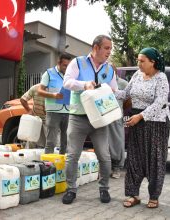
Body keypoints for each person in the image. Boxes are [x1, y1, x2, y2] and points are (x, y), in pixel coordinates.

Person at [62, 35, 118, 204]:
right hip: (78, 118)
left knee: (104, 156)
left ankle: (104, 189)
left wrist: (106, 90)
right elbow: (67, 82)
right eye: (106, 48)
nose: (109, 51)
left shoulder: (109, 70)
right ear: (96, 47)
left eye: (110, 48)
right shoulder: (78, 62)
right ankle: (70, 189)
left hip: (100, 120)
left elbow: (114, 90)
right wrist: (84, 84)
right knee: (72, 155)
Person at [115, 47, 170, 208]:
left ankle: (154, 196)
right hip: (136, 121)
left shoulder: (161, 78)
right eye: (138, 60)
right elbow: (125, 94)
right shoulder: (137, 76)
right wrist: (107, 91)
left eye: (142, 61)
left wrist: (140, 117)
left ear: (153, 62)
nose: (138, 63)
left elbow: (160, 102)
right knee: (134, 158)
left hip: (156, 123)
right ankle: (134, 195)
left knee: (154, 160)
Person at [38, 53, 72, 154]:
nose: (67, 68)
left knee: (66, 141)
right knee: (51, 141)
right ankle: (49, 165)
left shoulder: (71, 75)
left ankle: (63, 164)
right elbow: (39, 91)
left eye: (68, 66)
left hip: (68, 111)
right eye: (65, 65)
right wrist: (53, 95)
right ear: (59, 63)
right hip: (53, 112)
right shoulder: (48, 73)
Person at [108, 68, 128, 179]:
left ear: (115, 71)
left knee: (117, 143)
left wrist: (120, 108)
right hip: (104, 117)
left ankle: (117, 167)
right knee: (104, 143)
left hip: (116, 117)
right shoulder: (103, 82)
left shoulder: (123, 83)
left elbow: (129, 99)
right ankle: (106, 167)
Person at [20, 83, 47, 148]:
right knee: (49, 144)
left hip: (40, 120)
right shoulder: (36, 88)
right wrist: (29, 110)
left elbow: (23, 99)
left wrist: (29, 110)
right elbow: (23, 99)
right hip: (38, 119)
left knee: (33, 143)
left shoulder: (35, 87)